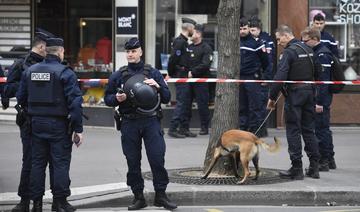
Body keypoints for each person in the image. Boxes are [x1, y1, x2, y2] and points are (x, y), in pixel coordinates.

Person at [104, 37, 177, 210]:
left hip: (151, 121)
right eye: (128, 52)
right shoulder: (118, 75)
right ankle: (138, 197)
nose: (130, 54)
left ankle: (161, 195)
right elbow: (107, 99)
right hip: (129, 122)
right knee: (133, 161)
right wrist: (116, 98)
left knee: (157, 159)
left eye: (133, 51)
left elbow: (167, 97)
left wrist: (158, 86)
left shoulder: (152, 72)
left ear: (140, 52)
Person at [17, 36, 84, 212]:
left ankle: (36, 205)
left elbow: (20, 97)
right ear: (61, 52)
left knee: (37, 164)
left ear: (46, 51)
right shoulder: (65, 72)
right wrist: (78, 129)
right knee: (60, 163)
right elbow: (75, 103)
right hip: (58, 125)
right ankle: (60, 203)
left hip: (35, 124)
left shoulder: (30, 71)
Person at [4, 28, 55, 212]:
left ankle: (53, 200)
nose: (49, 51)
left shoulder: (52, 64)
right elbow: (7, 90)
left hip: (51, 120)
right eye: (48, 48)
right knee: (30, 161)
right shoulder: (21, 64)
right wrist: (27, 83)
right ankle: (25, 201)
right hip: (28, 119)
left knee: (52, 162)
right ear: (41, 47)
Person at [267, 25, 320, 180]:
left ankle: (296, 169)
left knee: (293, 130)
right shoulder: (309, 50)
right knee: (309, 130)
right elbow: (318, 73)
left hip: (295, 94)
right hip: (310, 93)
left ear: (286, 35)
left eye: (278, 39)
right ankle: (314, 168)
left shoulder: (289, 52)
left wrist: (272, 97)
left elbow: (279, 77)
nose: (278, 43)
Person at [301, 27, 336, 171]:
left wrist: (319, 102)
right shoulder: (318, 52)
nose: (303, 43)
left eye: (306, 41)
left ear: (314, 39)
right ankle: (330, 159)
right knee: (323, 129)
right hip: (320, 97)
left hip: (321, 98)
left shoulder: (322, 54)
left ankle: (324, 161)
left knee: (321, 130)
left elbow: (323, 82)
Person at [239, 17, 269, 136]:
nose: (242, 31)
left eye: (245, 28)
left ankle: (255, 130)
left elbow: (265, 61)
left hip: (252, 77)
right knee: (242, 106)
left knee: (255, 106)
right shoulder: (235, 42)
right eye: (240, 29)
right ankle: (243, 129)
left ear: (249, 28)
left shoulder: (257, 43)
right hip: (240, 77)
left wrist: (264, 76)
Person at [167, 17, 197, 138]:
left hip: (185, 75)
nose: (194, 31)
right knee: (181, 102)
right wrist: (171, 73)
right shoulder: (180, 42)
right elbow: (172, 59)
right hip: (181, 75)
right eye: (193, 29)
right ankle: (173, 128)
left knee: (186, 102)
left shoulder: (184, 42)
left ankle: (184, 128)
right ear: (189, 28)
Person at [183, 24, 212, 135]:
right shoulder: (189, 47)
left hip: (201, 81)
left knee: (202, 104)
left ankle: (204, 127)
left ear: (199, 34)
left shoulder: (206, 48)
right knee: (186, 104)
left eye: (193, 32)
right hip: (189, 81)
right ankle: (185, 127)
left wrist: (193, 72)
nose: (191, 34)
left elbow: (205, 64)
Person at [249, 18, 275, 137]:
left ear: (259, 29)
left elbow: (268, 61)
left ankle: (261, 130)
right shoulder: (250, 40)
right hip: (254, 76)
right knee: (253, 105)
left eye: (253, 30)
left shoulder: (266, 40)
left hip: (262, 77)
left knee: (260, 105)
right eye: (250, 29)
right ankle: (254, 128)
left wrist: (266, 77)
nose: (251, 32)